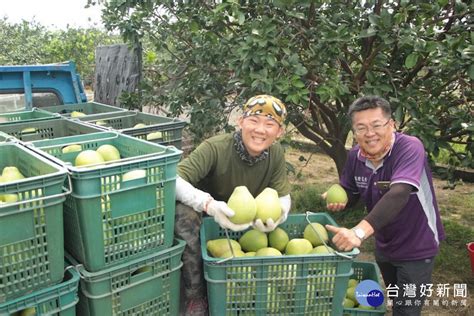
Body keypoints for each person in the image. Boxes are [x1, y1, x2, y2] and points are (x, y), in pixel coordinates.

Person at [324, 95, 445, 316]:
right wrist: (340, 200)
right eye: (361, 128)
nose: (369, 133)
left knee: (407, 310)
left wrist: (358, 233)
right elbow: (351, 192)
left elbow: (399, 193)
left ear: (392, 125)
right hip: (384, 241)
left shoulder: (409, 147)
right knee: (396, 298)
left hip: (417, 244)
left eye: (376, 125)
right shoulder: (355, 157)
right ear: (354, 132)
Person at [174, 95, 292, 315]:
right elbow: (173, 181)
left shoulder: (275, 154)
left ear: (279, 132)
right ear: (241, 122)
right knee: (184, 213)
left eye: (269, 124)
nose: (260, 130)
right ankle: (195, 294)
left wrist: (280, 213)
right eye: (254, 121)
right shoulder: (215, 148)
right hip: (207, 220)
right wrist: (208, 205)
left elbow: (283, 195)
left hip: (246, 226)